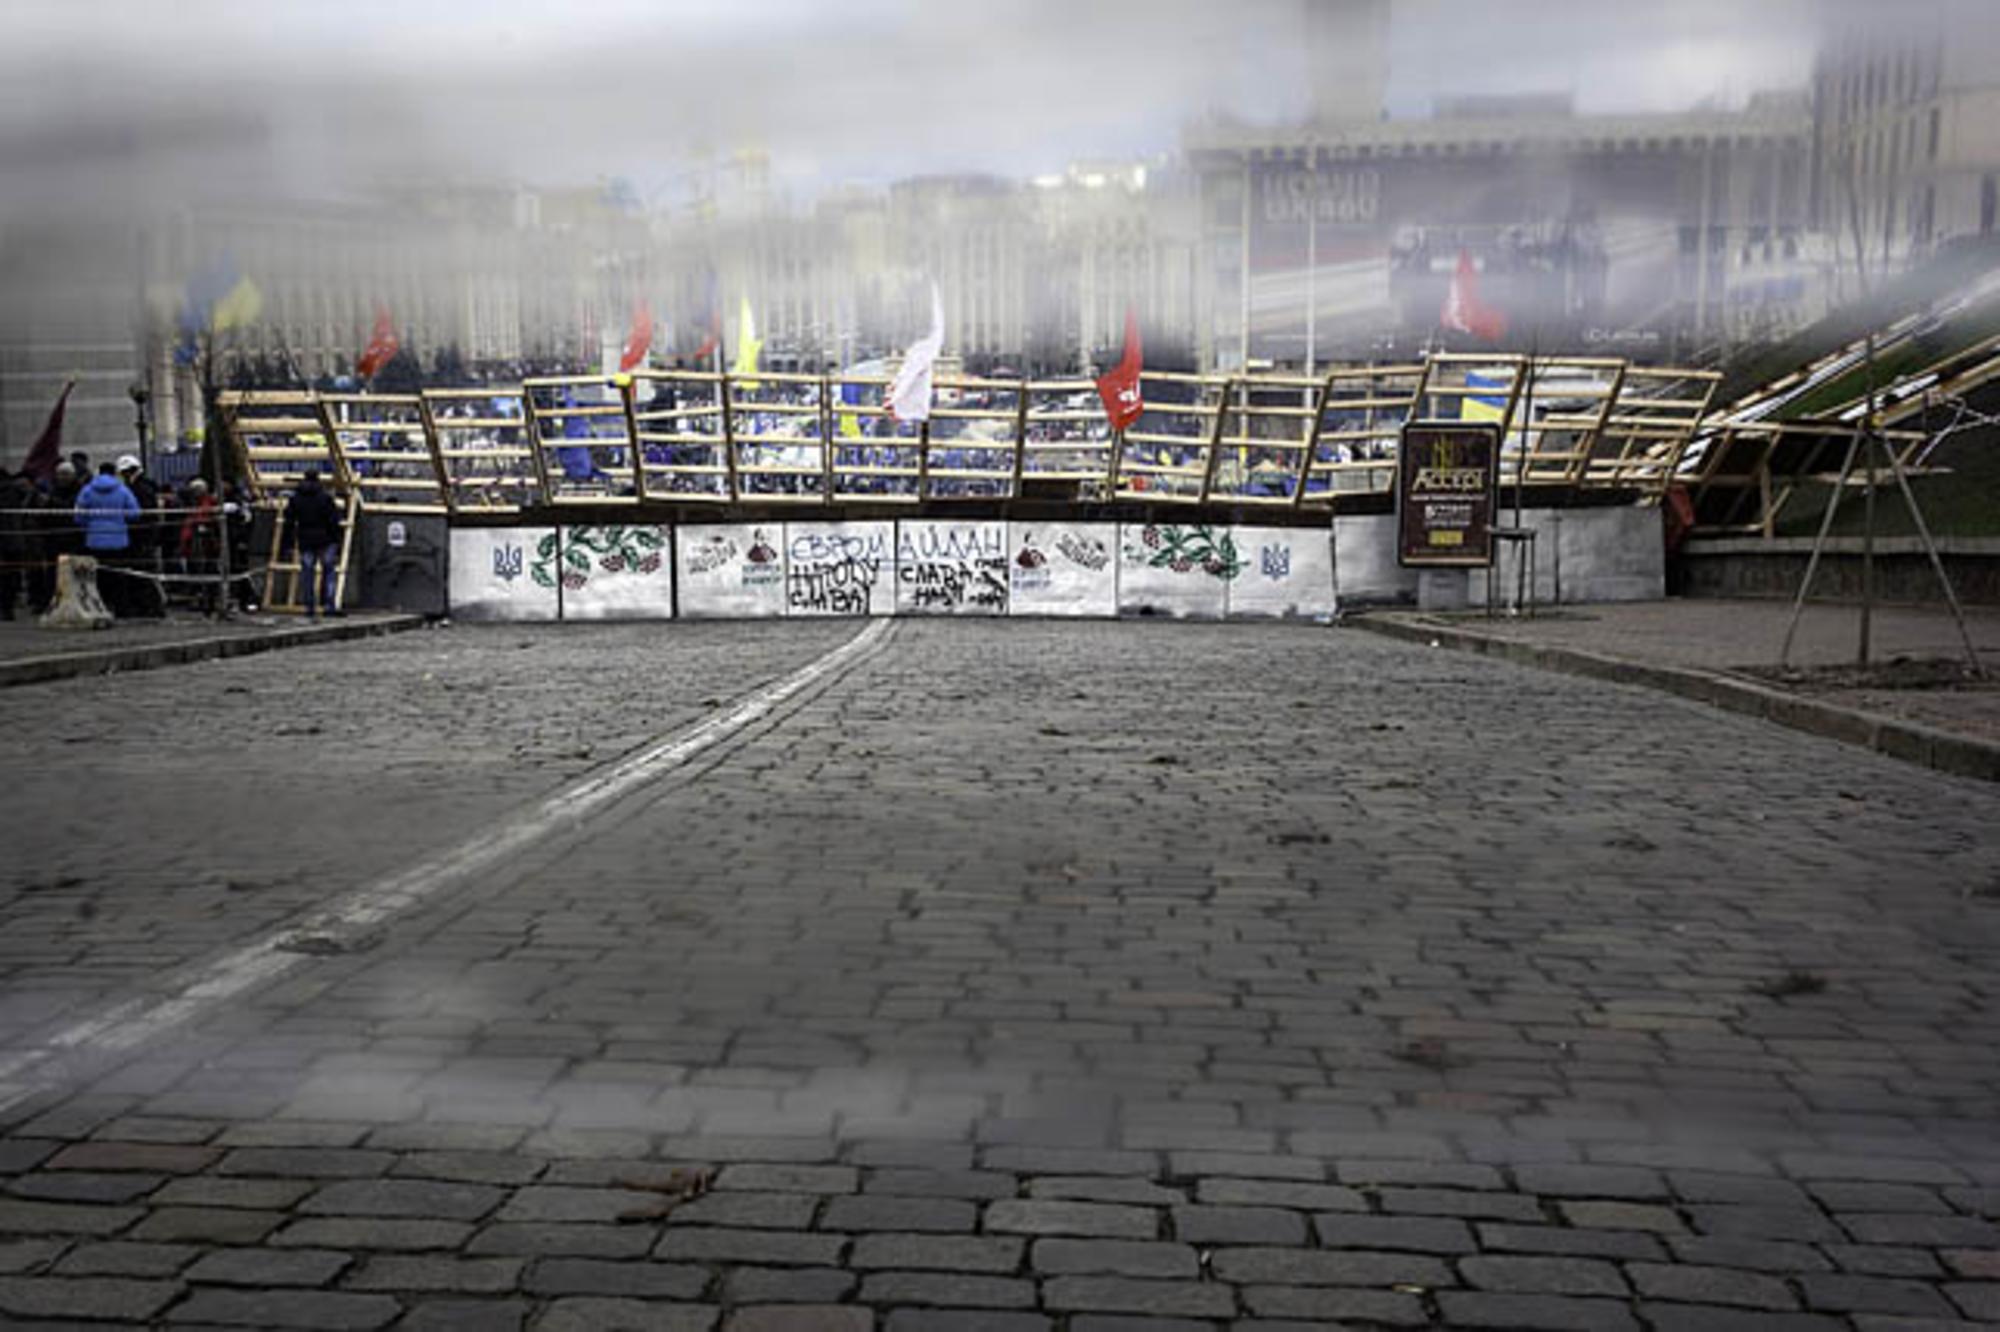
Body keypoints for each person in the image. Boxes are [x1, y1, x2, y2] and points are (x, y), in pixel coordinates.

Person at [74, 462, 140, 616]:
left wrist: (89, 525)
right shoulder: (123, 490)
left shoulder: (87, 490)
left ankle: (99, 608)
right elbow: (134, 513)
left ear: (98, 472)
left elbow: (78, 516)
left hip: (94, 539)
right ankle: (122, 609)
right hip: (119, 539)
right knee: (119, 576)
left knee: (97, 577)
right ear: (114, 473)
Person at [284, 470, 342, 619]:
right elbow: (334, 521)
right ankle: (329, 605)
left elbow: (289, 522)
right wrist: (337, 541)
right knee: (329, 572)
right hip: (326, 539)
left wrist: (288, 544)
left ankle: (309, 606)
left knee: (307, 574)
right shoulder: (325, 498)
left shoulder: (296, 498)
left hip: (305, 539)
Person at [115, 455, 164, 617]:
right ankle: (148, 606)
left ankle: (152, 607)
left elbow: (145, 515)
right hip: (144, 537)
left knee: (143, 574)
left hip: (141, 537)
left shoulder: (140, 489)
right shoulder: (145, 486)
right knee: (142, 573)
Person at [179, 479, 222, 615]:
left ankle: (208, 600)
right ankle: (201, 598)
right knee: (196, 571)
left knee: (207, 570)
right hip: (194, 542)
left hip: (204, 543)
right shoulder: (195, 504)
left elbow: (205, 519)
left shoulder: (208, 503)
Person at [0, 467, 31, 619]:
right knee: (12, 575)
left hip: (5, 539)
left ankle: (5, 608)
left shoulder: (8, 492)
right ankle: (8, 608)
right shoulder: (16, 491)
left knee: (5, 576)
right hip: (16, 540)